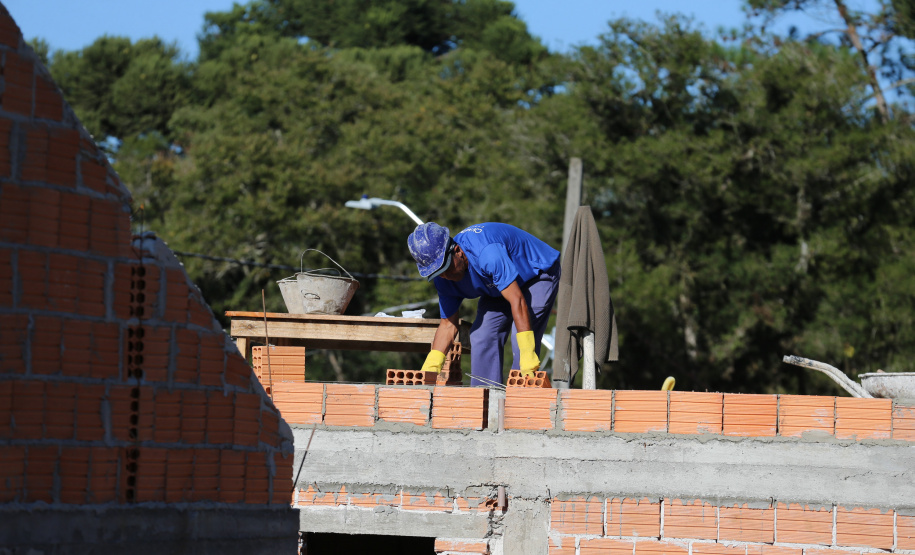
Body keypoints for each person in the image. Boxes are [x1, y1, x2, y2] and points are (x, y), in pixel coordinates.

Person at [407, 222, 561, 386]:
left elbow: (517, 300)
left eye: (446, 268)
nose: (445, 276)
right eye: (438, 273)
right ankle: (486, 400)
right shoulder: (443, 280)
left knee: (521, 340)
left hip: (535, 274)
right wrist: (431, 366)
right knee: (482, 336)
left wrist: (528, 352)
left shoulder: (487, 254)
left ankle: (520, 399)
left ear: (458, 251)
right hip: (496, 285)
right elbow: (447, 325)